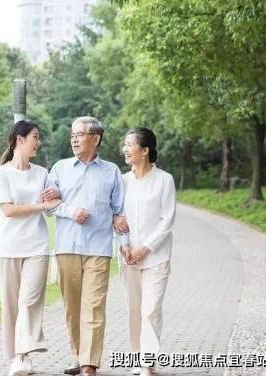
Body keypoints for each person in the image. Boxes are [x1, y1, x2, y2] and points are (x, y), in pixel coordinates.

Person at [45, 116, 128, 376]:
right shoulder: (59, 168)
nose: (74, 139)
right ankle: (78, 357)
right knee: (72, 308)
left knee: (93, 306)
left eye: (80, 134)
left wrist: (124, 243)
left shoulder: (112, 171)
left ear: (96, 138)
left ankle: (89, 365)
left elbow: (120, 212)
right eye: (73, 134)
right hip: (67, 247)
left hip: (98, 249)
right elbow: (48, 204)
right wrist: (71, 212)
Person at [0, 120, 59, 376]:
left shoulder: (42, 173)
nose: (38, 142)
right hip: (8, 248)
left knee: (29, 302)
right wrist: (40, 206)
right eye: (35, 137)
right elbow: (7, 210)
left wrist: (52, 200)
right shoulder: (2, 173)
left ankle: (22, 355)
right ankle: (17, 358)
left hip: (37, 248)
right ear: (20, 140)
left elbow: (51, 208)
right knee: (11, 306)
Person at [119, 128, 176, 376]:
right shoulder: (122, 181)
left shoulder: (165, 179)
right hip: (129, 257)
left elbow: (167, 220)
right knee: (134, 309)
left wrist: (146, 247)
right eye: (125, 144)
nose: (125, 149)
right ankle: (136, 356)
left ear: (145, 151)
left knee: (150, 309)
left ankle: (147, 362)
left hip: (156, 257)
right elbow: (118, 219)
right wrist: (124, 244)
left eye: (129, 144)